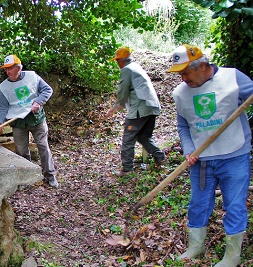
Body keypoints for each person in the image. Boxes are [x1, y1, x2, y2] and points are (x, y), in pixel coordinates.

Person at [167, 44, 253, 266]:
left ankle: (232, 256)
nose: (183, 78)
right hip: (201, 159)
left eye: (186, 72)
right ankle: (196, 246)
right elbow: (183, 126)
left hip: (234, 154)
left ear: (203, 65)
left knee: (234, 204)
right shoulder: (180, 94)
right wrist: (188, 150)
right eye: (180, 73)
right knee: (198, 203)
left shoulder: (233, 78)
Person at [0, 54, 59, 188]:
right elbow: (2, 106)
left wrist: (38, 101)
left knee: (43, 146)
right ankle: (27, 178)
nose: (8, 72)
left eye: (10, 68)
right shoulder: (4, 86)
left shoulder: (32, 77)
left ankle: (50, 176)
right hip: (18, 122)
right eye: (6, 69)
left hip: (36, 118)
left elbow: (47, 90)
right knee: (21, 151)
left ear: (19, 68)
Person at [106, 47, 166, 177]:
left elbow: (123, 92)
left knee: (128, 138)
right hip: (151, 107)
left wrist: (114, 108)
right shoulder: (136, 67)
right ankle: (160, 157)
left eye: (117, 61)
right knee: (143, 136)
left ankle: (127, 169)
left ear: (121, 60)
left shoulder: (127, 70)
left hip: (140, 109)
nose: (117, 64)